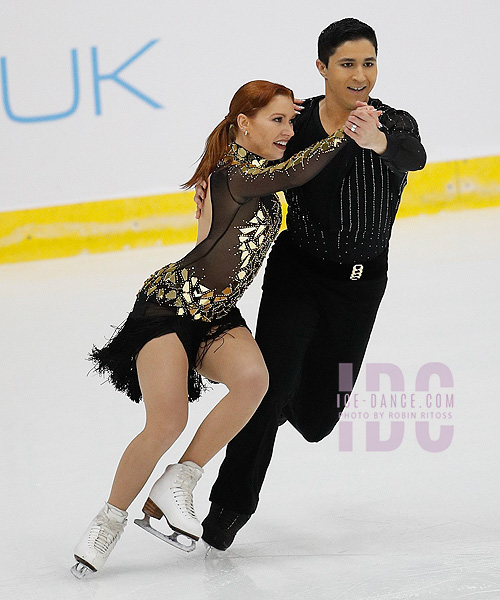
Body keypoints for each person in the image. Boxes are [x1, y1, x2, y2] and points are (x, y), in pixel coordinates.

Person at [70, 80, 354, 577]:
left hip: (218, 313)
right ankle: (108, 520)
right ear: (244, 123)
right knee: (167, 421)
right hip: (171, 307)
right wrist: (344, 131)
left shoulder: (253, 174)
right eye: (277, 120)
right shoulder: (233, 173)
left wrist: (305, 109)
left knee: (254, 381)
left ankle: (179, 480)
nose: (288, 130)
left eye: (291, 120)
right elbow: (296, 171)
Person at [198, 18, 427, 551]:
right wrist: (211, 191)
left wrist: (378, 141)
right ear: (322, 68)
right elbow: (243, 145)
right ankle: (226, 509)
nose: (360, 74)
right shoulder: (293, 123)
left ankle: (284, 399)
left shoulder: (395, 122)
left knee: (321, 418)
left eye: (368, 63)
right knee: (268, 387)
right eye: (347, 64)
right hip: (297, 274)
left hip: (362, 286)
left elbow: (414, 158)